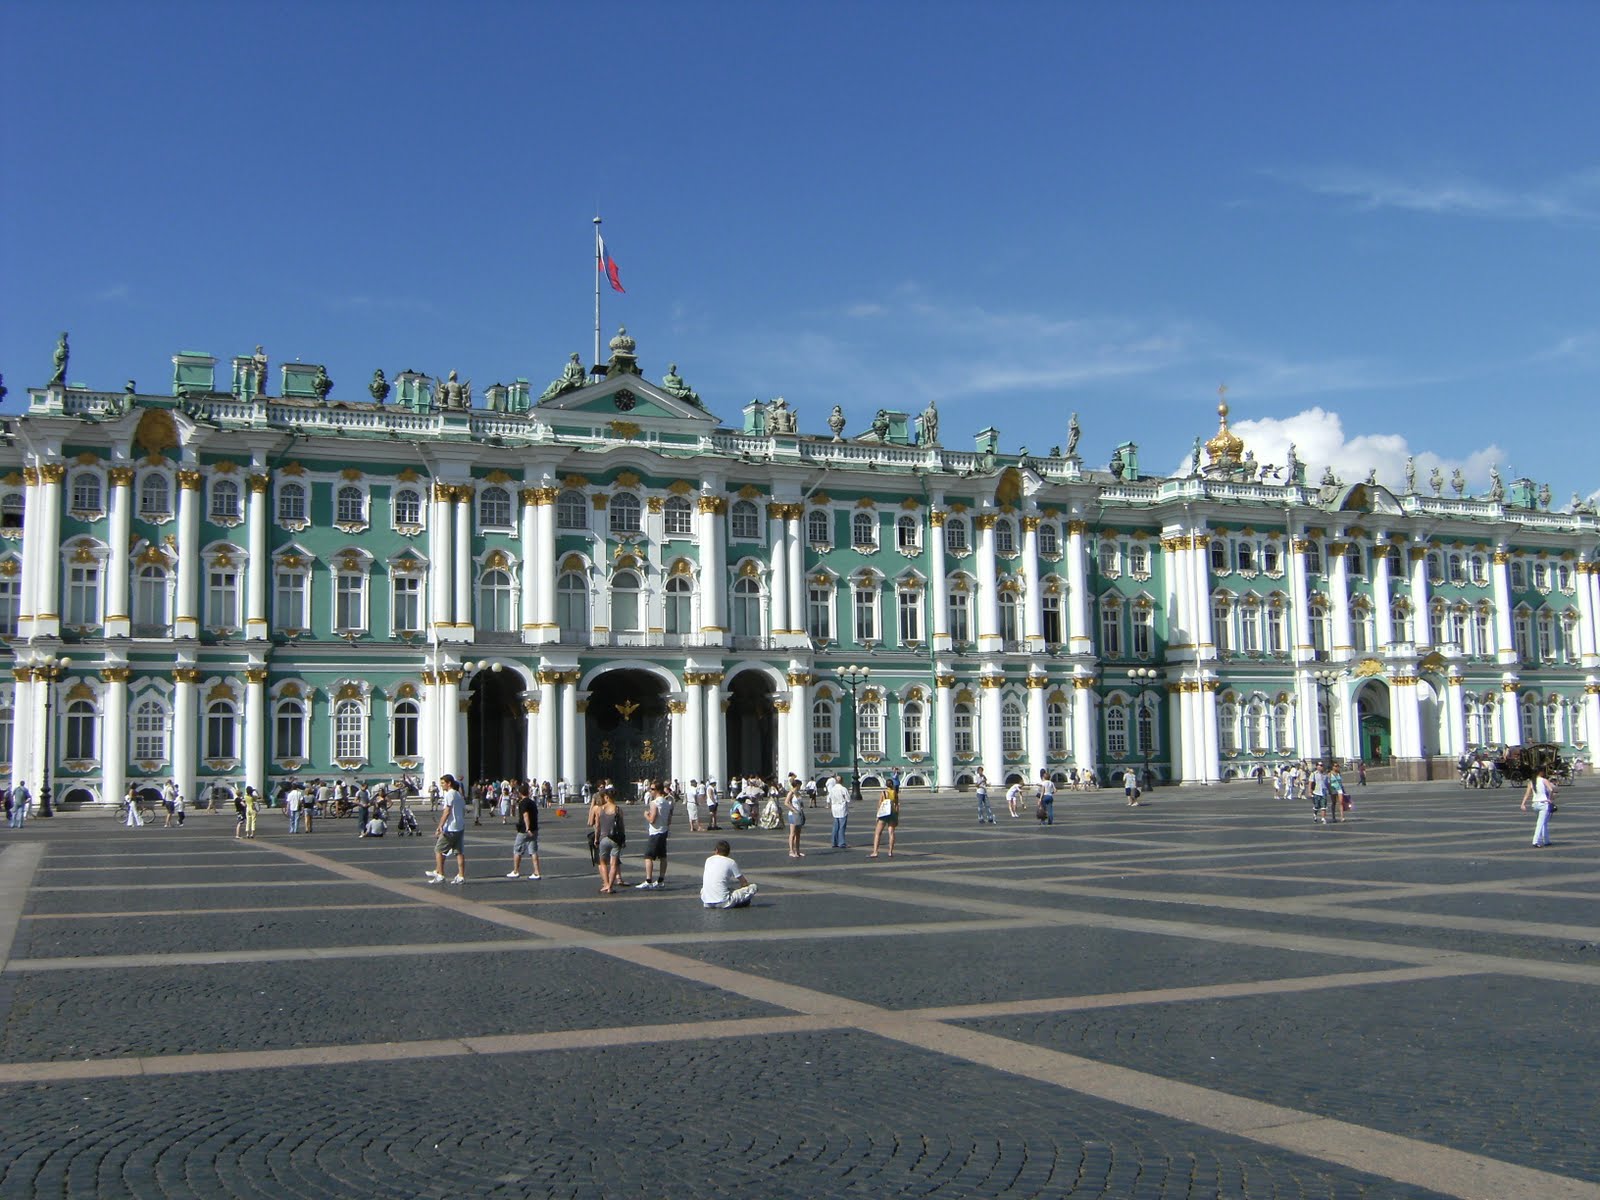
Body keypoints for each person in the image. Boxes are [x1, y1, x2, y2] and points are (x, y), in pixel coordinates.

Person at [425, 773, 467, 884]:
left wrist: (440, 826)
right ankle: (461, 876)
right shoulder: (459, 795)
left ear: (449, 783)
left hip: (451, 828)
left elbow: (447, 811)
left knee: (438, 850)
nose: (442, 785)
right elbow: (463, 811)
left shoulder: (449, 794)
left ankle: (440, 875)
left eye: (443, 783)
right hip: (460, 827)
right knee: (459, 852)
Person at [636, 782, 673, 889]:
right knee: (662, 856)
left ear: (657, 790)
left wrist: (646, 815)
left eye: (652, 789)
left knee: (648, 857)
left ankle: (648, 880)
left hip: (655, 832)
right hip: (664, 831)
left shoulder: (654, 803)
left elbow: (652, 820)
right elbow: (669, 820)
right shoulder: (666, 803)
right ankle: (661, 880)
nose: (650, 791)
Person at [701, 840, 757, 909]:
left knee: (707, 888)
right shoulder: (731, 862)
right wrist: (743, 891)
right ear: (728, 852)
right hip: (724, 902)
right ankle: (742, 901)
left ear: (716, 851)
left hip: (707, 902)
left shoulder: (708, 860)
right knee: (753, 887)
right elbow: (743, 882)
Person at [589, 787, 623, 893]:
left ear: (606, 797)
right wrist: (623, 839)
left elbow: (597, 826)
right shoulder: (618, 809)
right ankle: (610, 887)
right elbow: (621, 826)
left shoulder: (600, 809)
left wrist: (596, 838)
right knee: (613, 864)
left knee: (602, 863)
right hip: (616, 840)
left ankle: (606, 883)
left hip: (603, 839)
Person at [507, 787, 542, 879]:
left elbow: (525, 815)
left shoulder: (523, 803)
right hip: (535, 829)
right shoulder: (532, 802)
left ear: (520, 793)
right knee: (533, 851)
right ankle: (537, 872)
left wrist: (527, 828)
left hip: (524, 830)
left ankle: (515, 871)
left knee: (517, 850)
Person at [1521, 765, 1555, 848]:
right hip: (1543, 803)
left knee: (1544, 822)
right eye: (1543, 771)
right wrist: (1549, 799)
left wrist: (1523, 804)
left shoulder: (1531, 782)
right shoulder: (1544, 780)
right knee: (1541, 823)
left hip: (1535, 804)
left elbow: (1527, 794)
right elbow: (1551, 790)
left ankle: (1546, 840)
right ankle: (1535, 841)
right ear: (1541, 772)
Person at [868, 787, 898, 859]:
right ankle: (890, 851)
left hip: (884, 814)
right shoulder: (894, 793)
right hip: (892, 814)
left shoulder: (883, 793)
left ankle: (875, 852)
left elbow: (879, 805)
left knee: (878, 833)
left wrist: (877, 815)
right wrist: (896, 816)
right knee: (891, 833)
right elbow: (897, 805)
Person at [827, 774, 851, 848]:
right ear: (842, 781)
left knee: (835, 826)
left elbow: (828, 799)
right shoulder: (843, 789)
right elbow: (848, 799)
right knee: (842, 827)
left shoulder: (832, 789)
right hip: (842, 808)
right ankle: (841, 842)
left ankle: (834, 842)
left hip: (834, 808)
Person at [784, 780, 806, 858]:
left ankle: (797, 851)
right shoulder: (791, 793)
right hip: (793, 814)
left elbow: (801, 803)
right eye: (800, 785)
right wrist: (794, 810)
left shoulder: (798, 793)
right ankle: (791, 851)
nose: (800, 786)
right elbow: (786, 802)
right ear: (796, 785)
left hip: (799, 813)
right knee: (792, 833)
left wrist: (801, 807)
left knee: (798, 834)